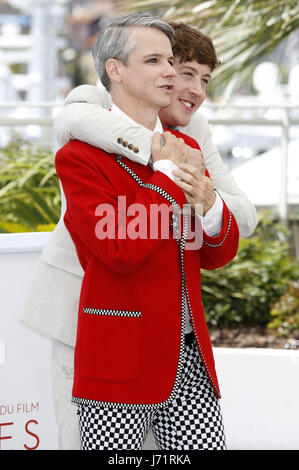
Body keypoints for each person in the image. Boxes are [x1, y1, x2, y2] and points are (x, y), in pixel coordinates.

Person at [20, 17, 251, 450]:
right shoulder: (79, 152)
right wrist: (165, 173)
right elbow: (119, 248)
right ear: (116, 70)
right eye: (155, 61)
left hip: (188, 356)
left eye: (171, 61)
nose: (171, 72)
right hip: (115, 351)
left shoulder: (191, 145)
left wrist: (211, 207)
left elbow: (214, 252)